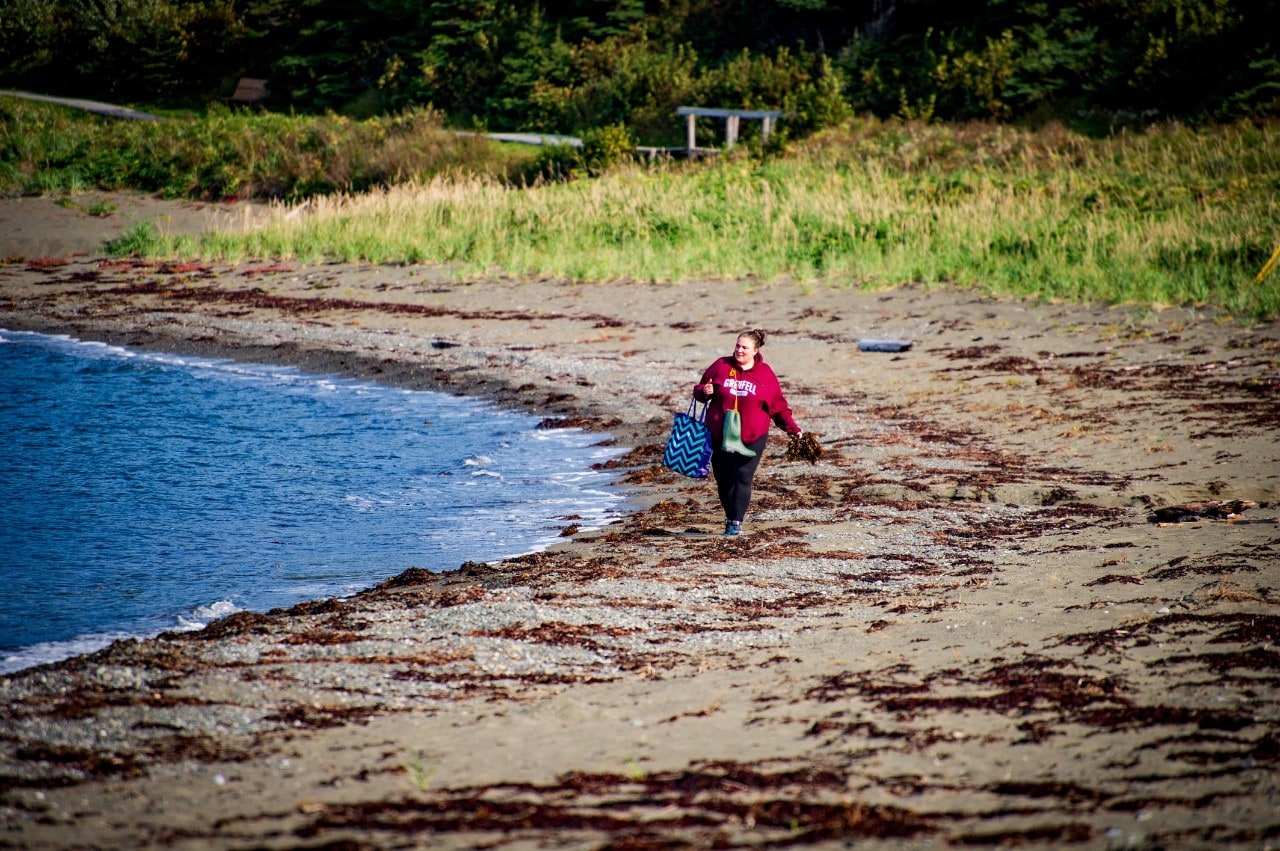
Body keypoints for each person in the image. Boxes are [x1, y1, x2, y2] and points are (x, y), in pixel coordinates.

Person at [692, 329, 802, 536]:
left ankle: (735, 523)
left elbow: (777, 406)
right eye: (737, 346)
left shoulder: (765, 374)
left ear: (755, 351)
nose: (739, 351)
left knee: (742, 476)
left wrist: (792, 429)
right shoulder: (721, 366)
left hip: (752, 436)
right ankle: (730, 515)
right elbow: (700, 389)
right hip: (720, 434)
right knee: (724, 479)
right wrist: (703, 392)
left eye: (745, 348)